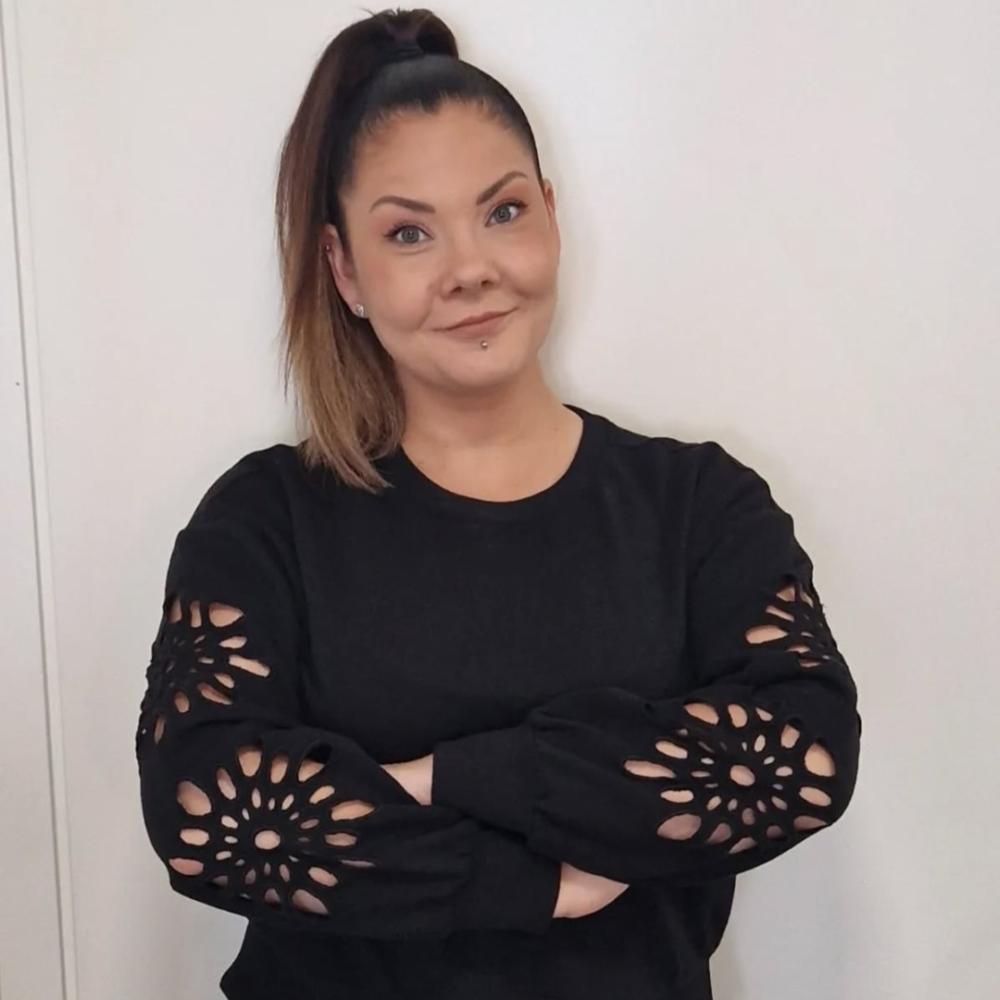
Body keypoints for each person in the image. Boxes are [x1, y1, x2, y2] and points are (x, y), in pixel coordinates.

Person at [134, 7, 863, 999]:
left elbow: (802, 755)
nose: (470, 268)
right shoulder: (265, 519)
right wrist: (534, 883)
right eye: (408, 233)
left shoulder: (699, 506)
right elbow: (206, 815)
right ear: (345, 270)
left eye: (503, 211)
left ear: (552, 216)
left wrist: (441, 778)